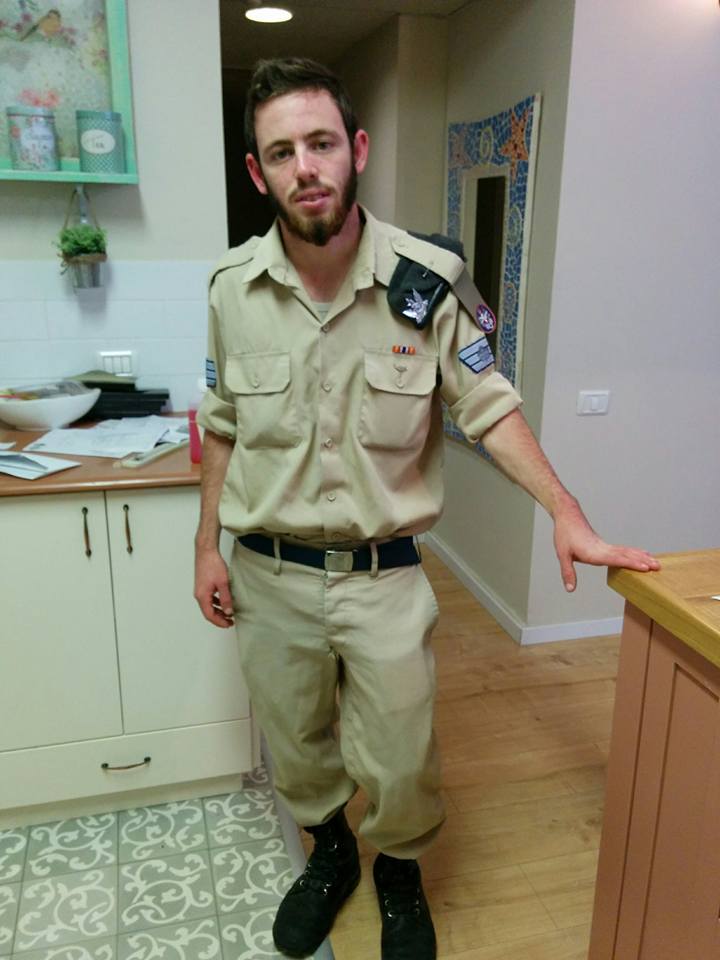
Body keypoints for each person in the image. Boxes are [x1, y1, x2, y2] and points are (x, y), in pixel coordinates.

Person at [194, 57, 659, 960]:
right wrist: (205, 546)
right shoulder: (229, 289)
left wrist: (565, 510)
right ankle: (331, 852)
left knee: (403, 755)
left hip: (384, 577)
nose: (306, 168)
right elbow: (220, 425)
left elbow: (488, 405)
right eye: (282, 152)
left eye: (321, 143)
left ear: (358, 149)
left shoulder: (429, 279)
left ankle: (399, 869)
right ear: (257, 171)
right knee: (296, 743)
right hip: (268, 575)